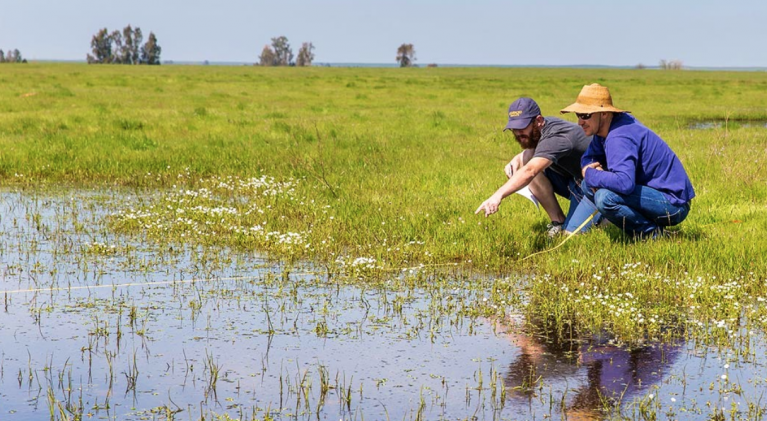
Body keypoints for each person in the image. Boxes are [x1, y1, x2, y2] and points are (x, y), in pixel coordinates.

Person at [560, 84, 695, 239]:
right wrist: (590, 171)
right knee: (588, 186)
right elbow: (588, 157)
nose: (580, 122)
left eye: (585, 115)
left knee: (605, 198)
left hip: (673, 204)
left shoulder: (619, 137)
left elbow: (624, 183)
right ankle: (646, 228)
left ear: (603, 113)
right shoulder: (606, 128)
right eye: (578, 114)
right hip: (652, 193)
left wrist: (590, 173)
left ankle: (654, 235)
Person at [475, 97, 600, 237]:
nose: (517, 133)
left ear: (539, 121)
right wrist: (519, 158)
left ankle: (606, 215)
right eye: (513, 129)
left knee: (571, 236)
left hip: (595, 187)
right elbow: (534, 153)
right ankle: (558, 222)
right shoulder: (543, 128)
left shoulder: (557, 136)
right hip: (575, 181)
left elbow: (530, 171)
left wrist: (497, 196)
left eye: (522, 127)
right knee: (525, 159)